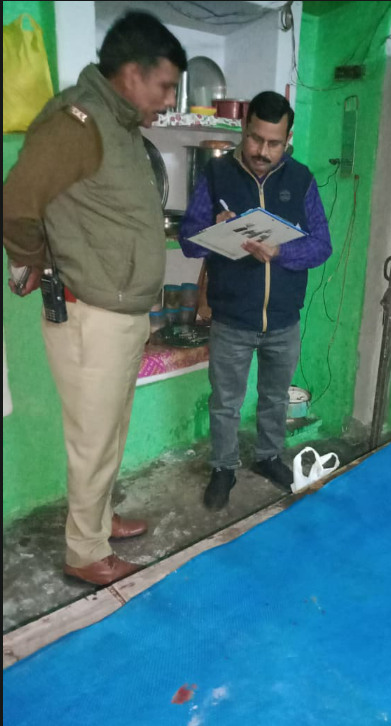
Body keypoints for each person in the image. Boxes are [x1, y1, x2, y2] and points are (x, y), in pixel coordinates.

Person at [3, 12, 187, 585]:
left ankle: (99, 520)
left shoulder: (120, 124)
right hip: (90, 315)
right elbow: (16, 204)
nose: (169, 100)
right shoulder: (76, 124)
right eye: (165, 86)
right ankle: (84, 552)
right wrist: (32, 259)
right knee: (92, 440)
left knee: (109, 432)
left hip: (120, 313)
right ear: (132, 74)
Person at [180, 91, 332, 511]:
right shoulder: (217, 174)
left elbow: (321, 245)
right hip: (232, 317)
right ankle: (223, 467)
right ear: (244, 130)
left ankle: (268, 457)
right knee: (225, 402)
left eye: (274, 143)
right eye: (255, 139)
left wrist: (281, 252)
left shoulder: (301, 180)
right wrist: (215, 230)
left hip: (283, 319)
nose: (262, 151)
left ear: (288, 139)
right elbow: (189, 241)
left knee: (275, 397)